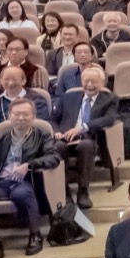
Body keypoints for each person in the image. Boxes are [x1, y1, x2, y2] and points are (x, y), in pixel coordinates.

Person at [0, 99, 58, 255]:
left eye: (26, 114)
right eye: (17, 114)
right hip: (0, 182)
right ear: (9, 116)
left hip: (23, 182)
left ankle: (35, 235)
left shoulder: (42, 136)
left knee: (22, 194)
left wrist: (29, 165)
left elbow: (53, 158)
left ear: (33, 117)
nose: (21, 118)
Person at [54, 67, 118, 210]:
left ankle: (83, 192)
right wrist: (56, 131)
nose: (89, 85)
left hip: (89, 138)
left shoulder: (110, 99)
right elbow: (52, 119)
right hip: (65, 138)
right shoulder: (67, 97)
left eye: (93, 81)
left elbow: (109, 119)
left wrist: (83, 127)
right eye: (86, 81)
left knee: (86, 146)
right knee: (57, 147)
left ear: (102, 83)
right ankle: (64, 192)